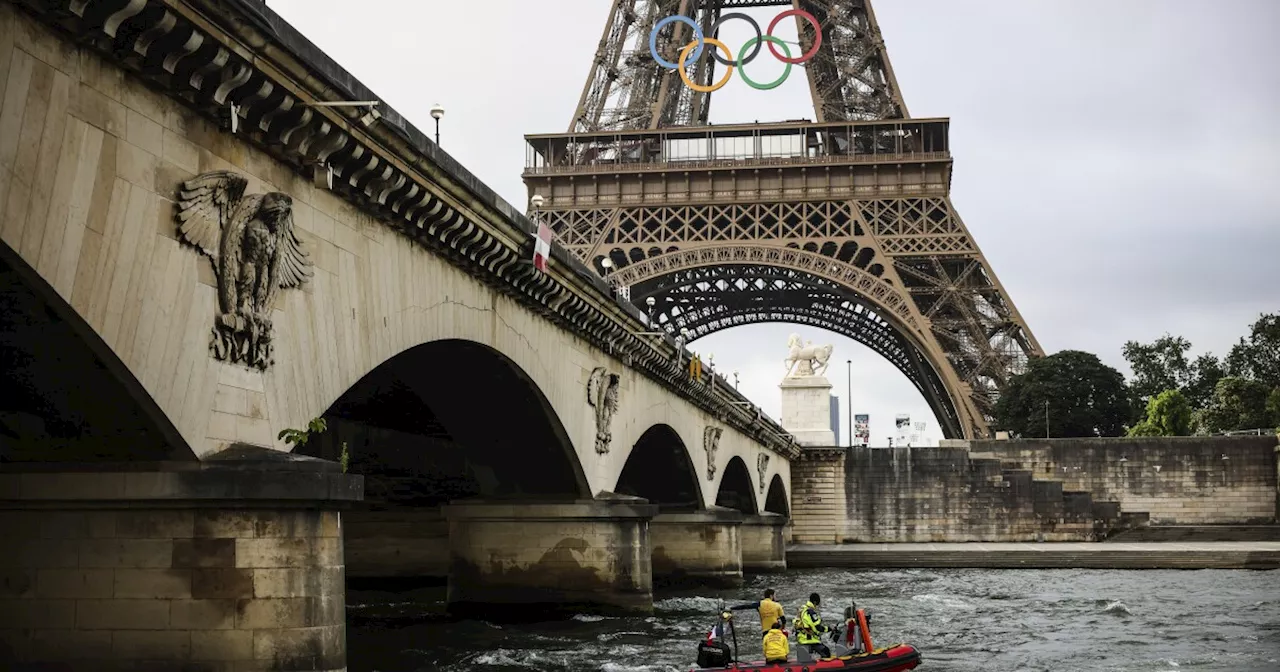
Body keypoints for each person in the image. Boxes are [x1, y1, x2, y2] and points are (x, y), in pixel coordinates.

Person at [795, 592, 835, 658]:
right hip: (809, 640)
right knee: (826, 651)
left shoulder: (803, 610)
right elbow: (818, 628)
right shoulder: (811, 612)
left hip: (801, 639)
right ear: (815, 602)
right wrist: (830, 628)